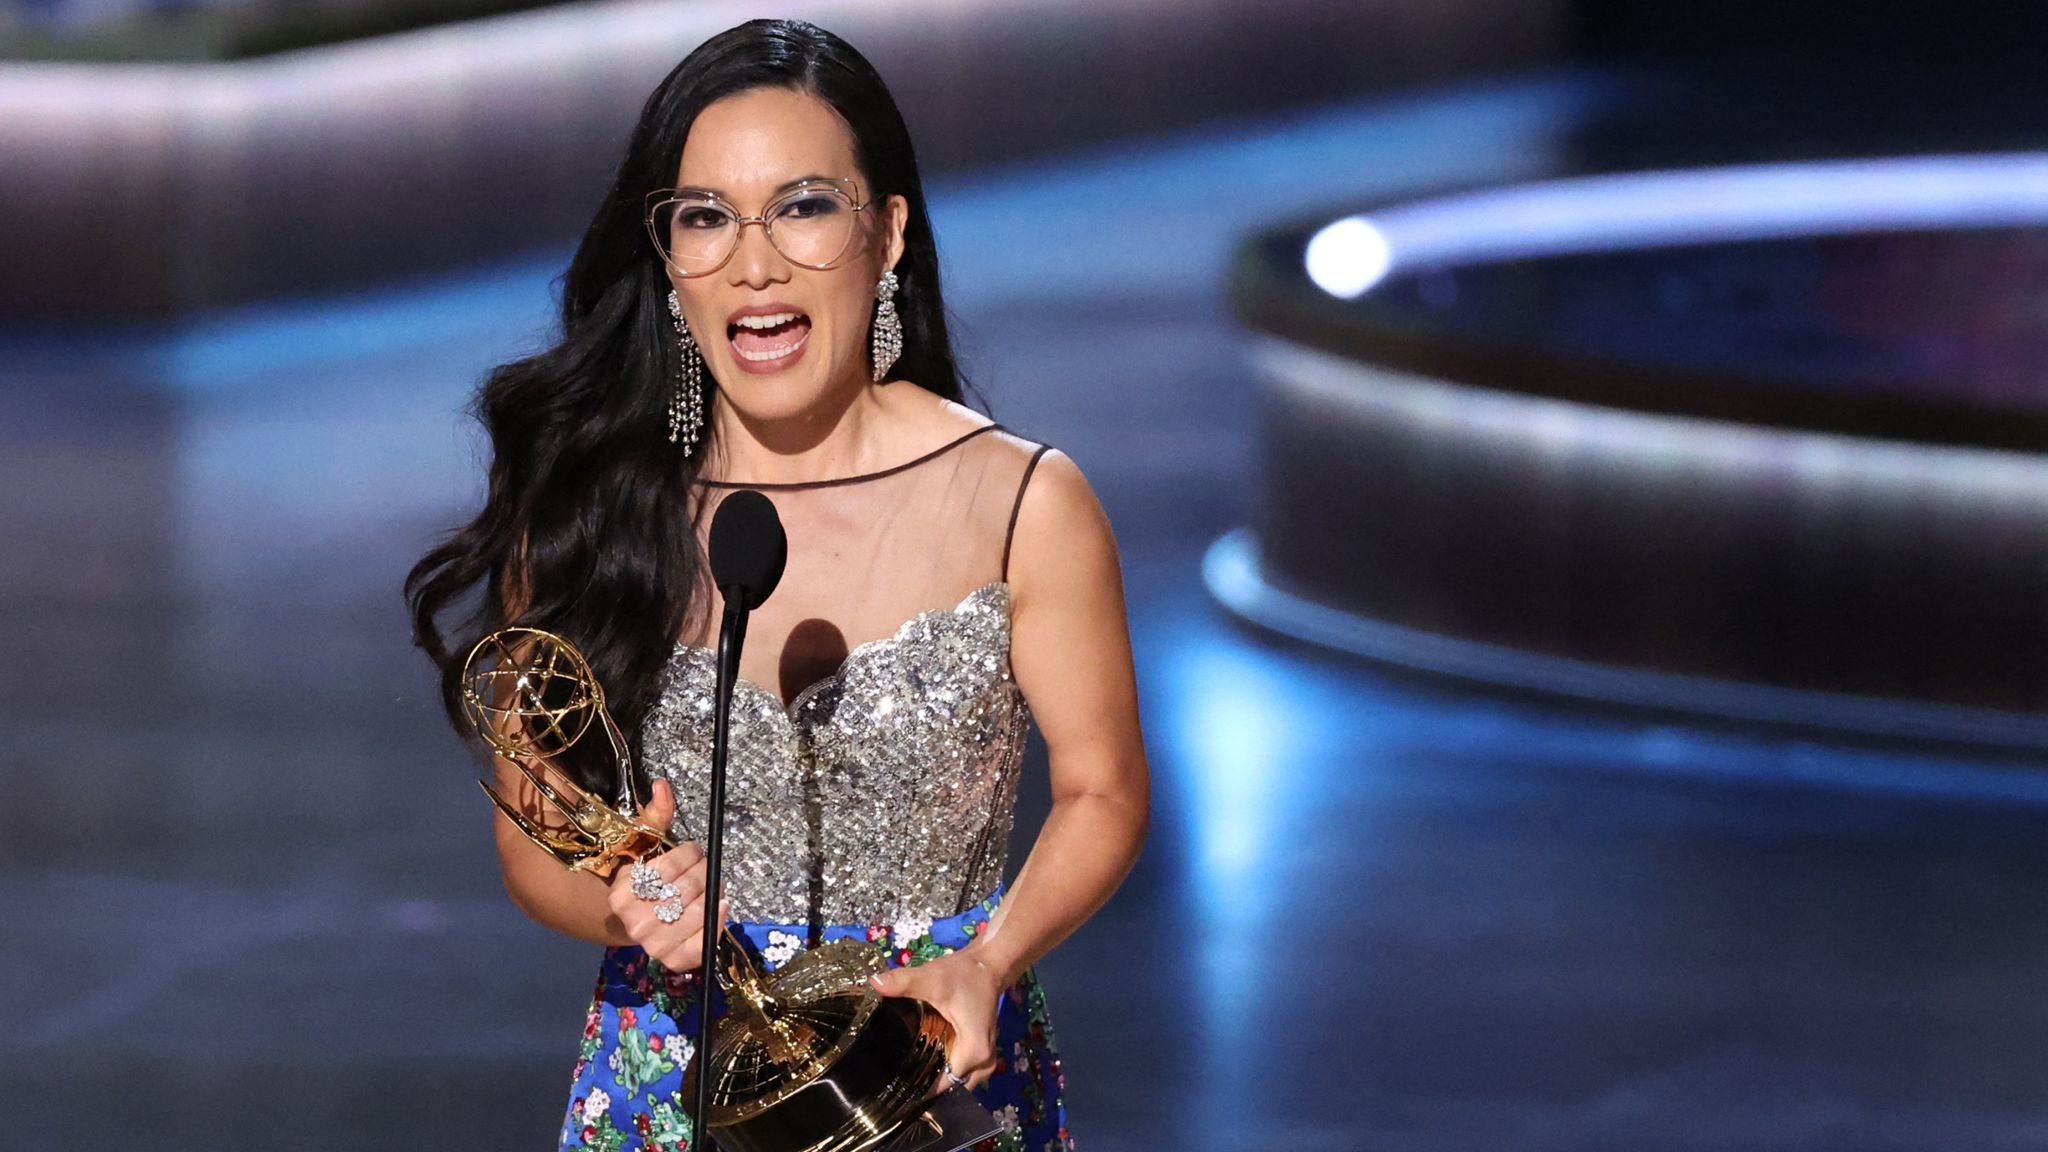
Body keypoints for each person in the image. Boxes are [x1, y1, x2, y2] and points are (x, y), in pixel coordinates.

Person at [403, 17, 1149, 1152]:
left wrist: (989, 956)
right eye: (705, 217)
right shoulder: (593, 503)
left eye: (802, 206)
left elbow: (1100, 792)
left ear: (885, 232)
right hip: (675, 1078)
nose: (753, 263)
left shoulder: (1020, 500)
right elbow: (532, 845)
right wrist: (629, 902)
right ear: (666, 257)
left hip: (926, 1068)